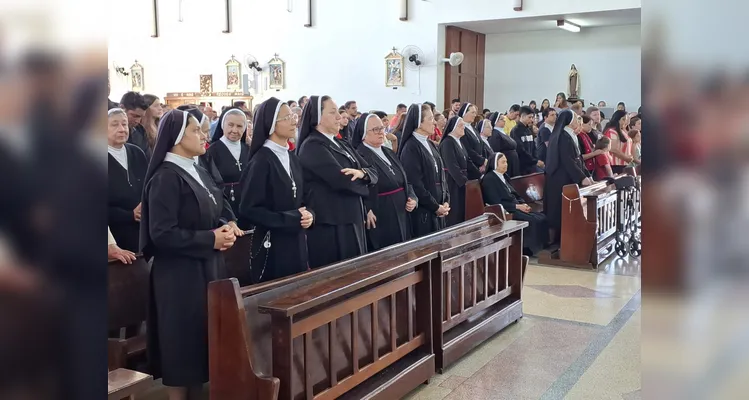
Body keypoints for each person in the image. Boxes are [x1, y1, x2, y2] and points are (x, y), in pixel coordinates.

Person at [139, 109, 240, 400]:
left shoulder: (197, 168)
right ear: (178, 137)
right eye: (197, 130)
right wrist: (210, 239)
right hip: (178, 276)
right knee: (181, 347)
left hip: (206, 268)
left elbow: (214, 207)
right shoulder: (165, 177)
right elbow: (162, 234)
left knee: (200, 344)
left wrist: (226, 224)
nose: (204, 135)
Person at [296, 96, 378, 268]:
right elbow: (343, 181)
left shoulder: (341, 143)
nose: (339, 117)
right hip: (331, 224)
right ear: (317, 117)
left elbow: (373, 171)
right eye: (332, 112)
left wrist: (362, 174)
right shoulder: (312, 146)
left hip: (352, 219)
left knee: (357, 274)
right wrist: (365, 180)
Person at [239, 97, 313, 282]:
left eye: (293, 116)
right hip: (272, 246)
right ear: (271, 123)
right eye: (287, 118)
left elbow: (301, 199)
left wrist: (309, 214)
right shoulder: (261, 161)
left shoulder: (292, 158)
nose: (294, 121)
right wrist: (292, 218)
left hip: (296, 241)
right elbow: (249, 210)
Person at [352, 113, 417, 250]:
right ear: (363, 133)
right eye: (376, 129)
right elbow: (357, 187)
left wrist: (412, 197)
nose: (381, 132)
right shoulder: (359, 155)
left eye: (382, 128)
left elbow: (405, 180)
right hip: (381, 214)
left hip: (402, 212)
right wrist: (366, 209)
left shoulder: (389, 152)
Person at [398, 103, 450, 237]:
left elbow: (442, 176)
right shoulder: (411, 148)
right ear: (419, 123)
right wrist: (435, 207)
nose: (434, 123)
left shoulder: (430, 144)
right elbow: (415, 184)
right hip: (424, 213)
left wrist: (445, 201)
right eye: (431, 119)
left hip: (438, 209)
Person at [481, 153, 549, 255]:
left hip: (516, 207)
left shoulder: (504, 176)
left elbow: (515, 194)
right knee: (533, 220)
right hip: (506, 211)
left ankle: (542, 247)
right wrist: (517, 206)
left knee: (542, 217)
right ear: (495, 164)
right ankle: (528, 249)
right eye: (503, 162)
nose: (506, 164)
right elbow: (495, 203)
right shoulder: (489, 179)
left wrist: (523, 204)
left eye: (506, 162)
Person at [544, 110, 594, 241]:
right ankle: (563, 240)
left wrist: (587, 175)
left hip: (568, 177)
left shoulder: (570, 135)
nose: (578, 122)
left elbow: (578, 159)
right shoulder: (562, 136)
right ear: (569, 121)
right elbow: (568, 160)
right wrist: (581, 178)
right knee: (561, 210)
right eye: (576, 119)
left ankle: (571, 238)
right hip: (560, 179)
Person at [108, 108, 148, 252]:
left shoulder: (136, 152)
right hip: (114, 236)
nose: (121, 129)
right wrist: (130, 215)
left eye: (124, 124)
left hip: (142, 231)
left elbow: (148, 185)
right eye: (114, 124)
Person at [206, 107, 251, 218]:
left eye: (239, 126)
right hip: (223, 207)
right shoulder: (212, 151)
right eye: (230, 125)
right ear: (223, 125)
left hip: (247, 206)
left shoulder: (248, 150)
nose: (235, 130)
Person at [439, 116, 472, 226]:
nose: (463, 127)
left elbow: (468, 161)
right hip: (453, 182)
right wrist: (465, 183)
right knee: (455, 213)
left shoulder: (458, 141)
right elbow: (452, 166)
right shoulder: (447, 142)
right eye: (461, 125)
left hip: (462, 181)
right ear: (453, 127)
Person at [457, 103, 488, 179]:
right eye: (472, 112)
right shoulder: (461, 129)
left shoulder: (473, 128)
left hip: (480, 165)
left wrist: (484, 162)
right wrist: (482, 161)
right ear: (464, 113)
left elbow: (482, 145)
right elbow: (468, 149)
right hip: (471, 166)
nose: (475, 115)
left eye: (475, 113)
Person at [510, 106, 544, 175]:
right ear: (522, 116)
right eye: (529, 117)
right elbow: (520, 150)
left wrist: (536, 159)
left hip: (532, 164)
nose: (531, 120)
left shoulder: (528, 130)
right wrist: (534, 161)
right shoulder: (515, 131)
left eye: (532, 117)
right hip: (522, 165)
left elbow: (534, 147)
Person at [488, 111, 520, 177]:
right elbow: (496, 151)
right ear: (496, 121)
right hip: (506, 163)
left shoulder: (502, 132)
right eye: (502, 119)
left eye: (504, 119)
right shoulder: (495, 134)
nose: (504, 121)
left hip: (512, 163)